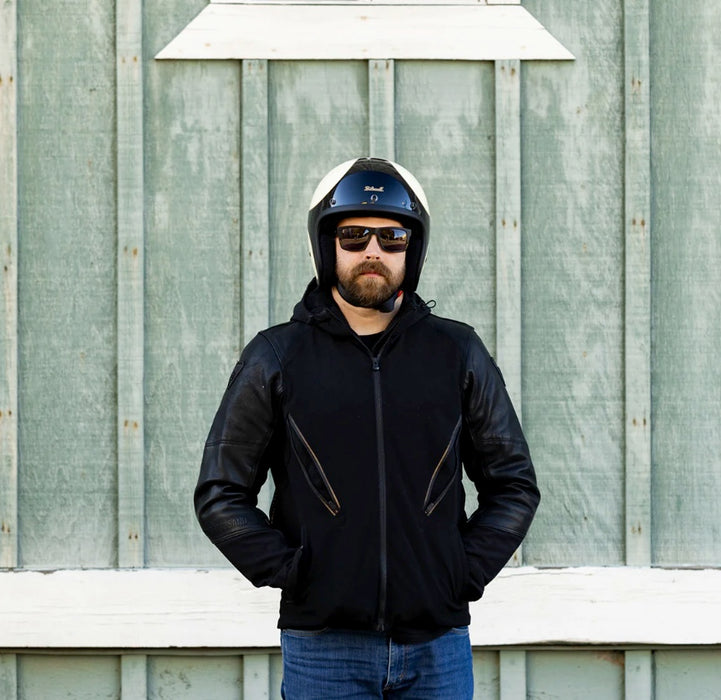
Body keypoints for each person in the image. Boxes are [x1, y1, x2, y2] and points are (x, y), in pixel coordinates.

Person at [195, 157, 540, 699]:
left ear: (412, 248)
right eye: (354, 235)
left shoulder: (457, 352)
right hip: (324, 650)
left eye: (391, 237)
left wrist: (461, 570)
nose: (372, 250)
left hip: (437, 646)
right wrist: (295, 572)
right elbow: (220, 493)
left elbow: (514, 483)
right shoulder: (277, 357)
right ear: (326, 245)